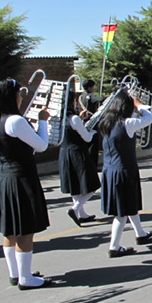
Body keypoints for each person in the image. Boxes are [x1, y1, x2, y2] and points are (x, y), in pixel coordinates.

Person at [0, 78, 53, 289]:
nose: (21, 97)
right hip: (21, 178)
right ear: (10, 96)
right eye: (19, 93)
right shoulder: (15, 121)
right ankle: (26, 278)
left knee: (10, 230)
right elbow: (42, 145)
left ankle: (15, 274)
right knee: (26, 229)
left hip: (5, 178)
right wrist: (43, 120)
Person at [99, 91, 152, 258]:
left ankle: (140, 233)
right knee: (121, 212)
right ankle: (114, 247)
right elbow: (150, 118)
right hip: (124, 171)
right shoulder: (127, 123)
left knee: (128, 204)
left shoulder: (106, 123)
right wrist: (140, 106)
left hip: (109, 169)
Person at [60, 91, 100, 227]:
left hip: (65, 153)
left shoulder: (58, 118)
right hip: (78, 153)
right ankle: (75, 208)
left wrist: (80, 120)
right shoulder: (74, 119)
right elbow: (87, 138)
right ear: (71, 102)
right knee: (92, 184)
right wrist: (92, 132)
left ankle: (81, 214)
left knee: (75, 184)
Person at [78, 79, 104, 166]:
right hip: (92, 122)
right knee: (93, 145)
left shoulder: (80, 97)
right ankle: (93, 165)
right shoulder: (90, 96)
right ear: (89, 87)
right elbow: (101, 99)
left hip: (82, 122)